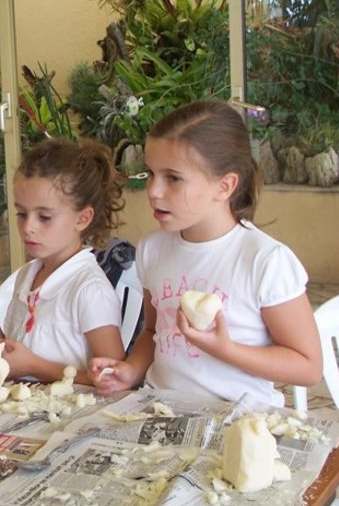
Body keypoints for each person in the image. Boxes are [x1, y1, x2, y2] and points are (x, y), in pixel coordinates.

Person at [89, 100, 322, 406]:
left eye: (173, 178)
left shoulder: (265, 260)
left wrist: (226, 350)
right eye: (150, 173)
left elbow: (308, 366)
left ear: (224, 186)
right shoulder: (153, 248)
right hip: (160, 410)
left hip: (238, 419)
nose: (154, 191)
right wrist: (130, 370)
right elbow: (152, 331)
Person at [0, 138, 126, 384]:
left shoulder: (89, 290)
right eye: (21, 213)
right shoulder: (27, 275)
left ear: (82, 219)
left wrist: (35, 367)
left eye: (45, 217)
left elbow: (113, 378)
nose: (28, 227)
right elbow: (4, 352)